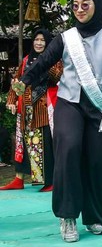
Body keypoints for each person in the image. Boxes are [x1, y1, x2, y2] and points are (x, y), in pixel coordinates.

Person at [14, 0, 102, 242]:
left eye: (85, 4)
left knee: (98, 161)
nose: (79, 9)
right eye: (75, 5)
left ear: (98, 5)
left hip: (101, 107)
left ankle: (95, 216)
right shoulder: (66, 38)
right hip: (70, 102)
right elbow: (44, 62)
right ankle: (67, 216)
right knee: (69, 148)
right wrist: (26, 80)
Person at [1, 29, 62, 191]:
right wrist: (11, 100)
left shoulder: (55, 60)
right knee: (22, 143)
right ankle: (18, 179)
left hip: (43, 108)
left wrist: (45, 61)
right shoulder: (27, 59)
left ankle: (50, 181)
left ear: (48, 43)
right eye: (36, 39)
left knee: (44, 144)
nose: (39, 43)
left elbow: (57, 77)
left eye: (43, 40)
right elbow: (17, 81)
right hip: (26, 108)